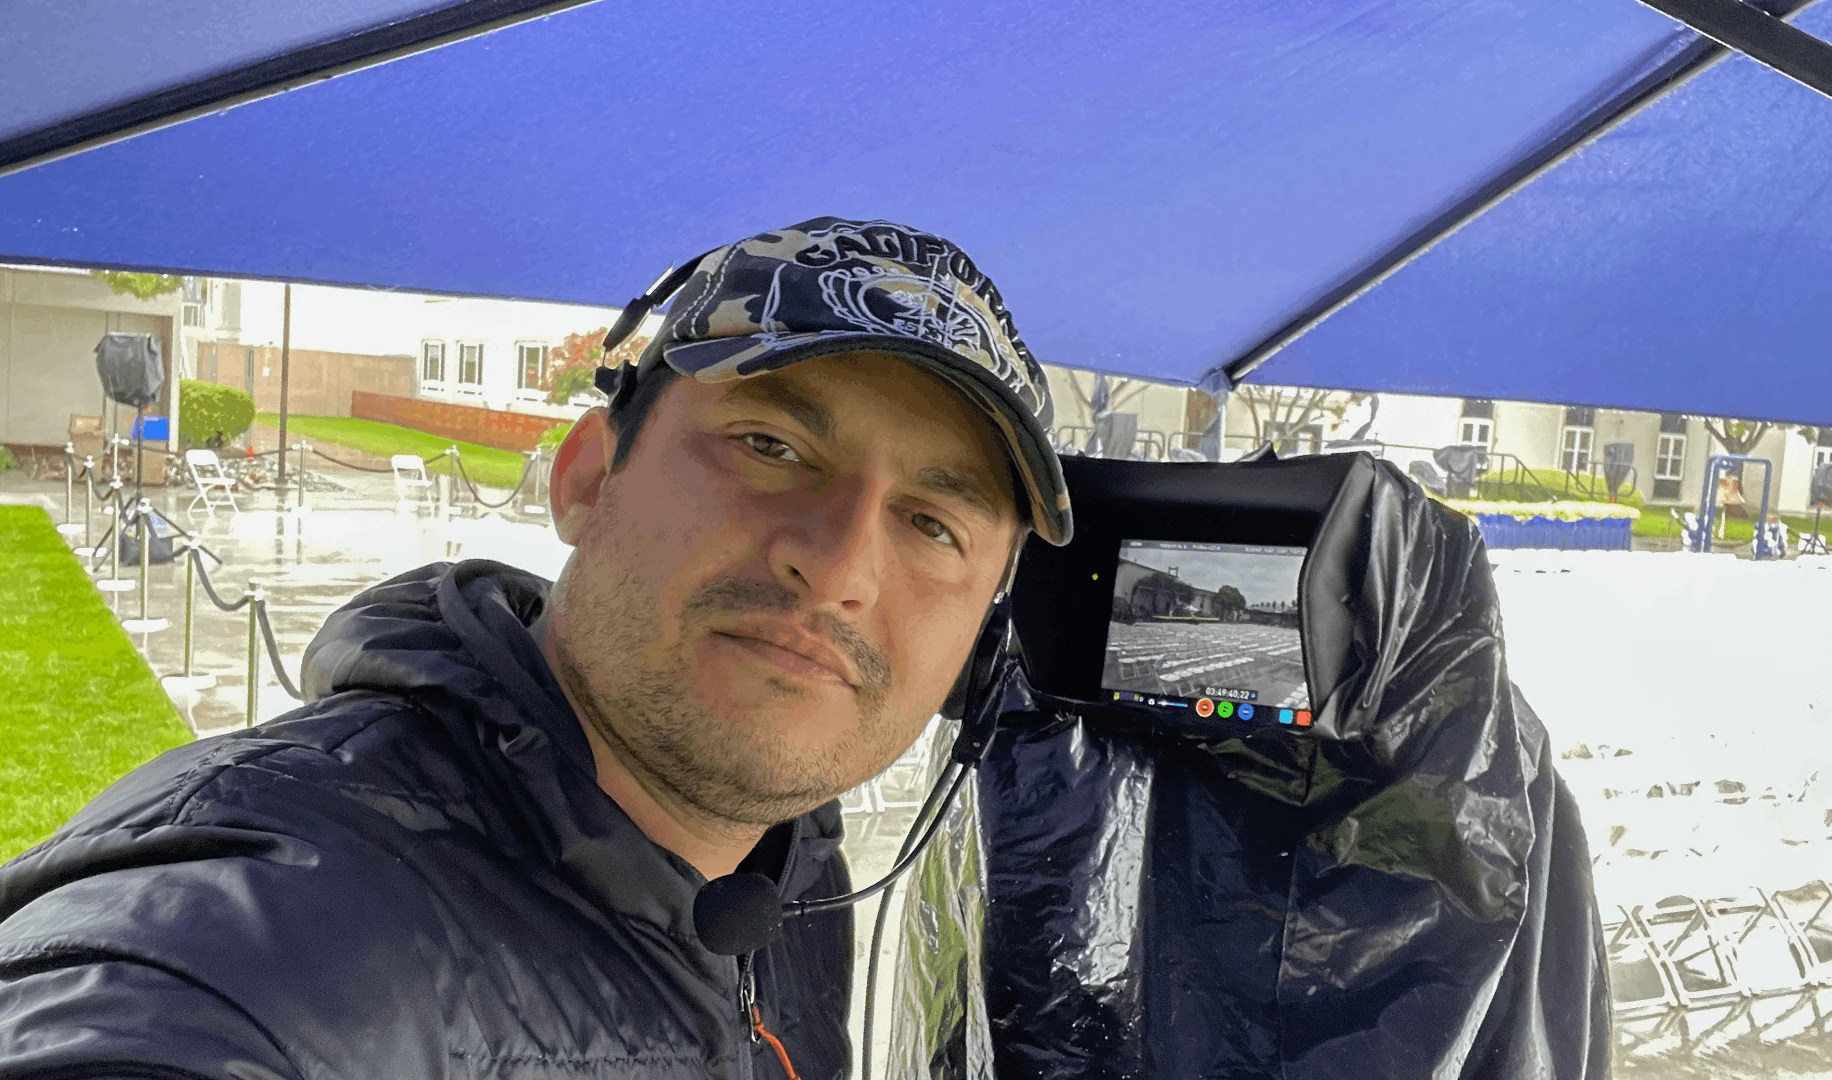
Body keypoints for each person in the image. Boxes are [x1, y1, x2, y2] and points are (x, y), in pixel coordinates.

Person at [0, 218, 1072, 1080]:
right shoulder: (269, 921)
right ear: (589, 480)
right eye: (771, 446)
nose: (838, 569)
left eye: (934, 523)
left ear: (980, 644)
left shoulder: (788, 869)